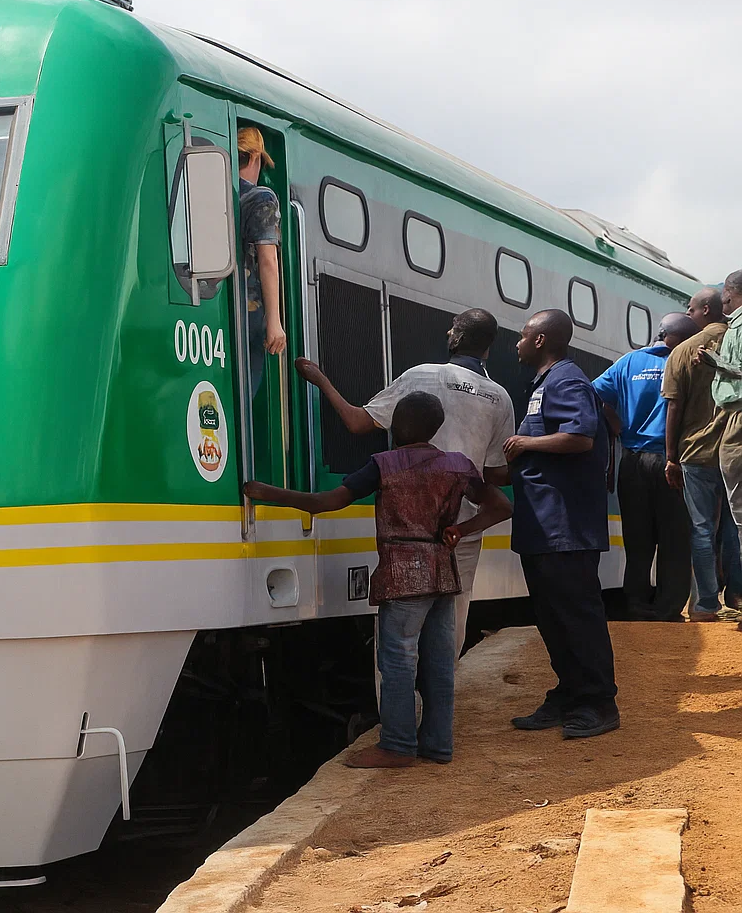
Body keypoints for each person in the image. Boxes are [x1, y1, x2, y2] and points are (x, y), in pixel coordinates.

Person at [244, 392, 512, 768]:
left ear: (397, 427)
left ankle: (398, 745)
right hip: (443, 571)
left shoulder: (385, 464)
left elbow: (327, 502)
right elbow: (502, 506)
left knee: (399, 660)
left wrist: (266, 492)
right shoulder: (458, 465)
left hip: (403, 574)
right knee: (438, 662)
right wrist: (460, 529)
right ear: (436, 428)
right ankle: (437, 745)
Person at [295, 308, 516, 655]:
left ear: (455, 337)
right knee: (451, 628)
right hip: (460, 531)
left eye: (451, 329)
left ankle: (399, 707)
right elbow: (494, 474)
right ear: (487, 349)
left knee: (399, 639)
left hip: (409, 529)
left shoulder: (422, 377)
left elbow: (356, 422)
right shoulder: (499, 397)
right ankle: (441, 705)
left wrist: (318, 377)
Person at [506, 309, 619, 739]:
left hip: (565, 526)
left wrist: (525, 441)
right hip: (542, 526)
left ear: (540, 340)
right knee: (552, 617)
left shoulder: (567, 380)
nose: (516, 342)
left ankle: (598, 701)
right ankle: (570, 692)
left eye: (522, 334)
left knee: (576, 615)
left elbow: (581, 437)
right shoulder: (542, 384)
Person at [592, 313, 698, 620]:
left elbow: (594, 393)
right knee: (674, 538)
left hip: (633, 461)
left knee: (637, 537)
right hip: (672, 462)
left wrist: (617, 424)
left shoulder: (629, 362)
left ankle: (636, 604)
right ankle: (667, 608)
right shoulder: (687, 363)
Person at [664, 287, 742, 620]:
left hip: (695, 453)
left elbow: (674, 408)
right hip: (733, 447)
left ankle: (705, 604)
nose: (688, 314)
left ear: (707, 310)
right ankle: (736, 596)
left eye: (692, 309)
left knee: (701, 529)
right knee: (736, 527)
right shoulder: (734, 342)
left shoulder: (683, 351)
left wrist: (670, 456)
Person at [697, 271, 742, 615]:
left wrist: (718, 363)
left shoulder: (738, 326)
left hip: (738, 418)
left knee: (739, 513)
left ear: (729, 294)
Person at [237, 127, 286, 397]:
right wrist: (275, 322)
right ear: (255, 156)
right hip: (251, 316)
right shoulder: (261, 198)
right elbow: (268, 260)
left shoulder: (221, 193)